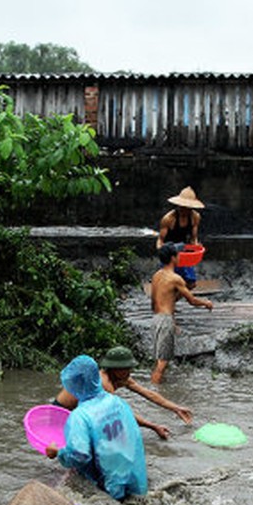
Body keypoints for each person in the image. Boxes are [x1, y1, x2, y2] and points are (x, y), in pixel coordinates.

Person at [45, 354, 147, 501]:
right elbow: (133, 437)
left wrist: (57, 452)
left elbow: (80, 456)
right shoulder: (117, 401)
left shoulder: (80, 416)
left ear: (73, 385)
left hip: (108, 488)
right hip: (135, 479)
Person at [50, 346, 194, 440]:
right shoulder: (104, 384)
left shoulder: (122, 377)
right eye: (126, 368)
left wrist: (175, 408)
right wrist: (153, 426)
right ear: (114, 368)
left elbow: (148, 393)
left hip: (80, 413)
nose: (129, 372)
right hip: (61, 414)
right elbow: (121, 412)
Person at [150, 243, 214, 384]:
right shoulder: (175, 279)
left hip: (156, 319)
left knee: (159, 360)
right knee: (162, 363)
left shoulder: (156, 276)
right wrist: (206, 303)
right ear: (173, 258)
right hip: (165, 320)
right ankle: (155, 394)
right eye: (178, 255)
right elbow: (192, 300)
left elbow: (154, 302)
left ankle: (158, 388)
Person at [156, 186, 203, 288]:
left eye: (187, 207)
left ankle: (176, 298)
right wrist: (162, 252)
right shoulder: (169, 218)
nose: (183, 209)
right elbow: (160, 240)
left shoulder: (195, 217)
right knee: (167, 284)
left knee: (191, 284)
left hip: (183, 251)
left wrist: (196, 248)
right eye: (181, 206)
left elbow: (193, 238)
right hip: (169, 251)